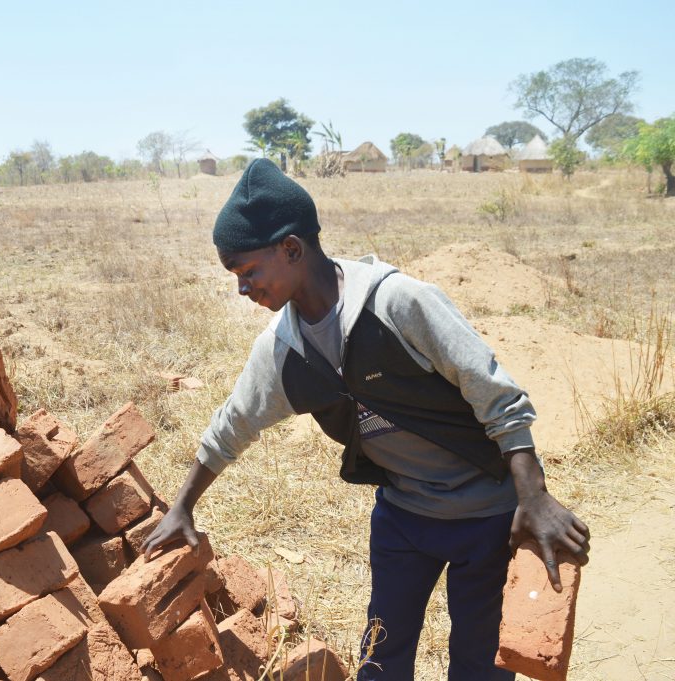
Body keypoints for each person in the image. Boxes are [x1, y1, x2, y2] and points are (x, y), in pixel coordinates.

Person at [140, 158, 590, 681]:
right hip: (403, 517)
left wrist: (533, 497)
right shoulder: (283, 354)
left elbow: (494, 392)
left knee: (478, 662)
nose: (243, 289)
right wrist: (182, 507)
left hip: (486, 515)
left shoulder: (397, 304)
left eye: (248, 272)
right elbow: (232, 426)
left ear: (291, 248)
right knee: (381, 657)